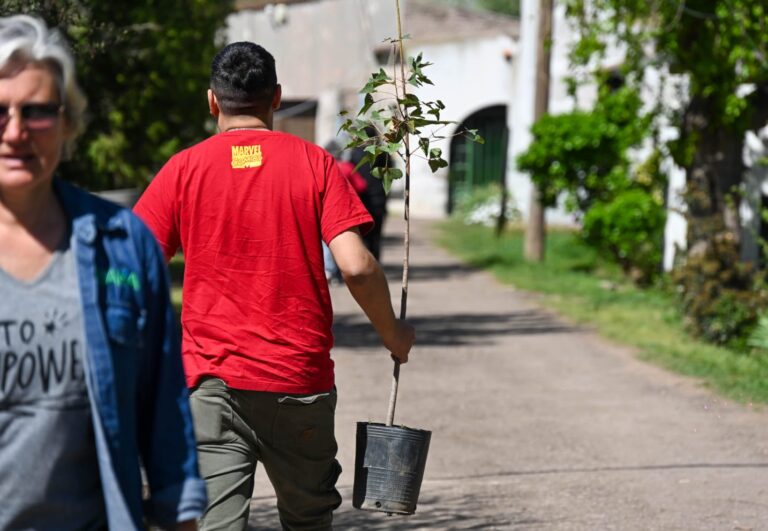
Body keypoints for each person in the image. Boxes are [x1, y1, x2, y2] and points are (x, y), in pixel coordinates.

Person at [133, 41, 416, 530]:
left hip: (210, 385)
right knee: (308, 520)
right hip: (298, 385)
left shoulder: (183, 169)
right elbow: (358, 267)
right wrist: (392, 334)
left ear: (212, 101)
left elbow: (130, 268)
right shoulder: (316, 165)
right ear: (277, 97)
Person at [0, 14, 206, 531]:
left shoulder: (123, 246)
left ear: (68, 122)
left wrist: (181, 517)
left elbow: (165, 415)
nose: (16, 131)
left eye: (38, 111)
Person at [322, 139, 367, 284]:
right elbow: (361, 186)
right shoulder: (347, 167)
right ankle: (339, 272)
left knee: (327, 245)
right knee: (348, 244)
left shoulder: (322, 167)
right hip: (346, 212)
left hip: (324, 212)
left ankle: (329, 270)